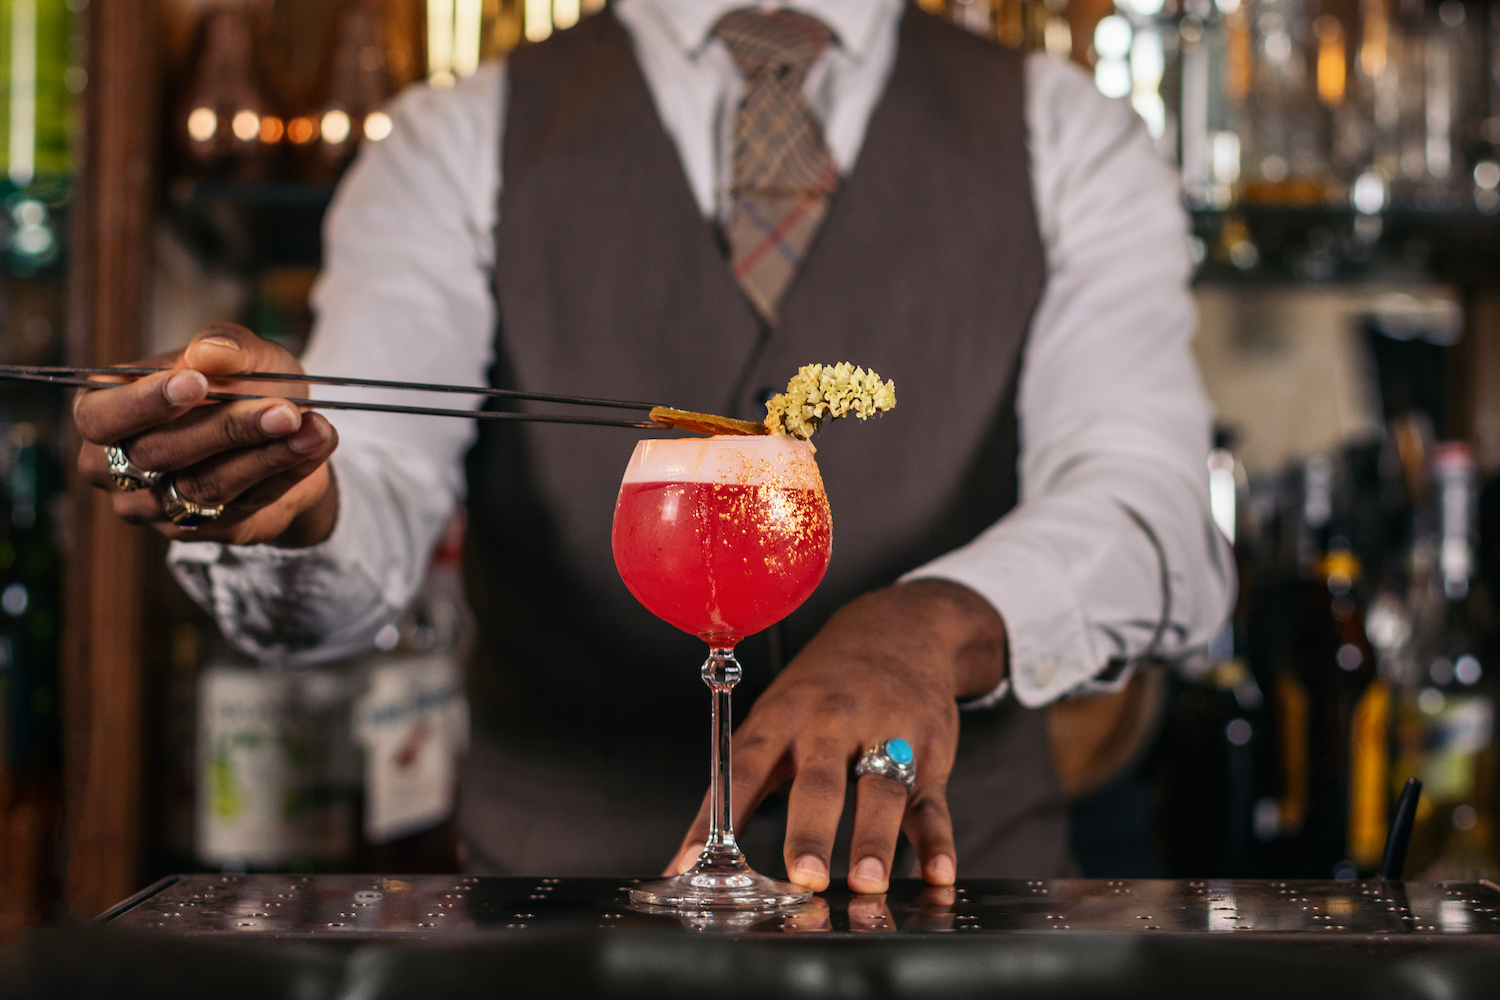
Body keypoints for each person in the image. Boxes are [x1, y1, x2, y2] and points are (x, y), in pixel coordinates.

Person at [75, 0, 1233, 891]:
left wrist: (932, 623)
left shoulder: (1070, 136)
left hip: (962, 905)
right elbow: (370, 482)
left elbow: (1150, 502)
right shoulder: (455, 140)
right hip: (561, 925)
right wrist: (296, 492)